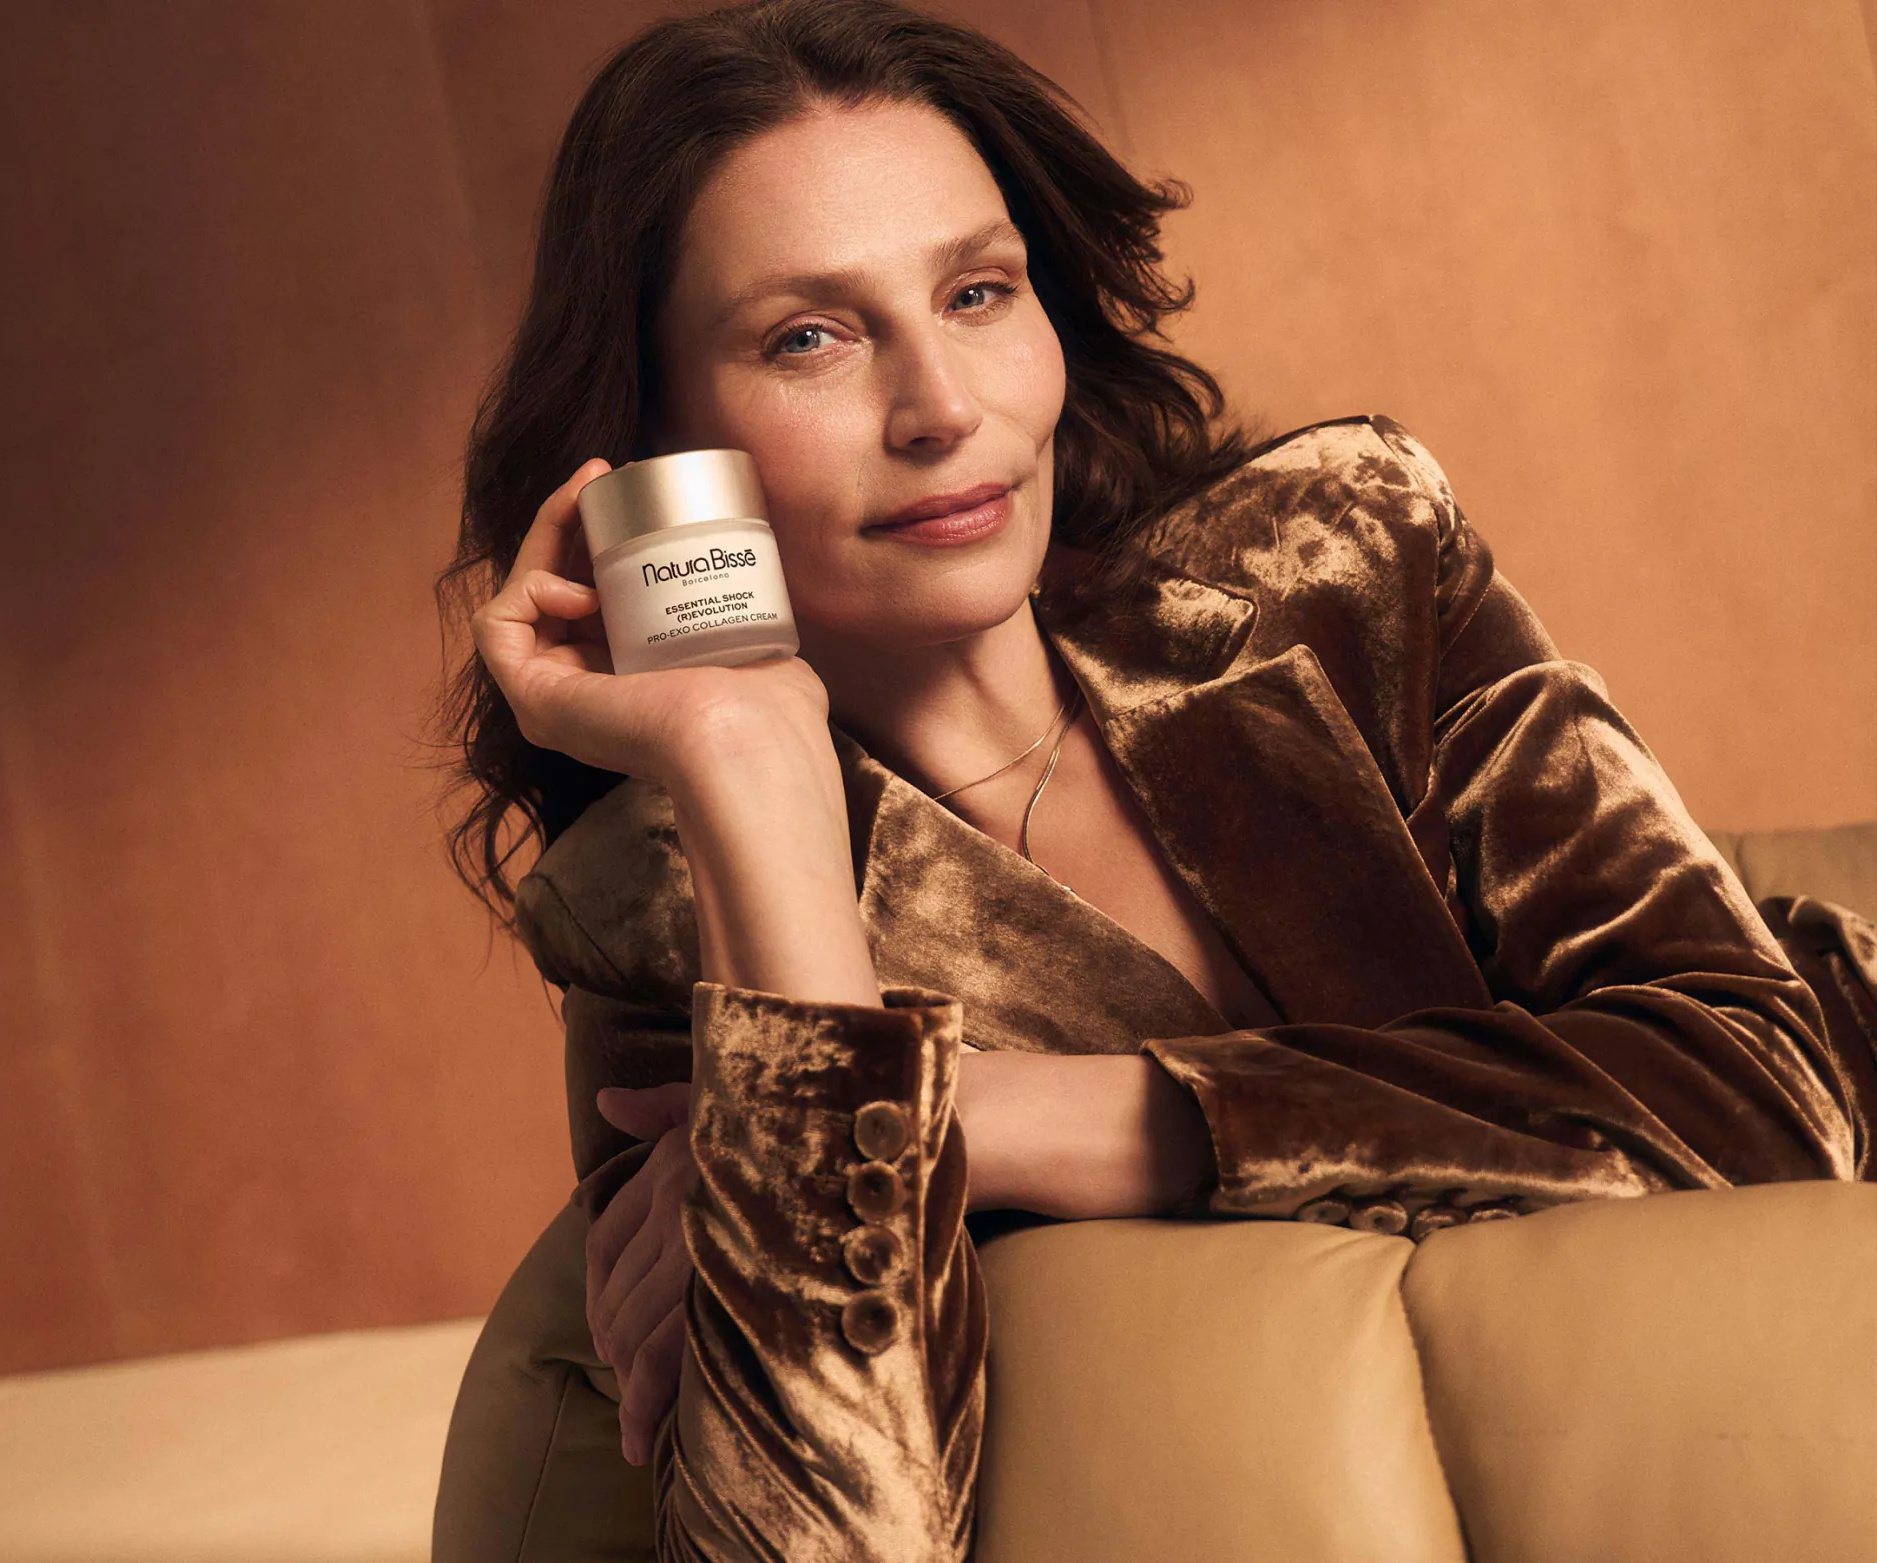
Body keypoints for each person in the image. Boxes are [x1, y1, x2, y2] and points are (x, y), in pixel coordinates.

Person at [428, 1, 1865, 1557]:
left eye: (978, 292)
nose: (943, 408)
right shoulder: (674, 906)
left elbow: (1770, 1092)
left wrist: (991, 1119)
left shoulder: (1343, 558)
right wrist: (750, 760)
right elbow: (833, 1538)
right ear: (660, 460)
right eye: (808, 338)